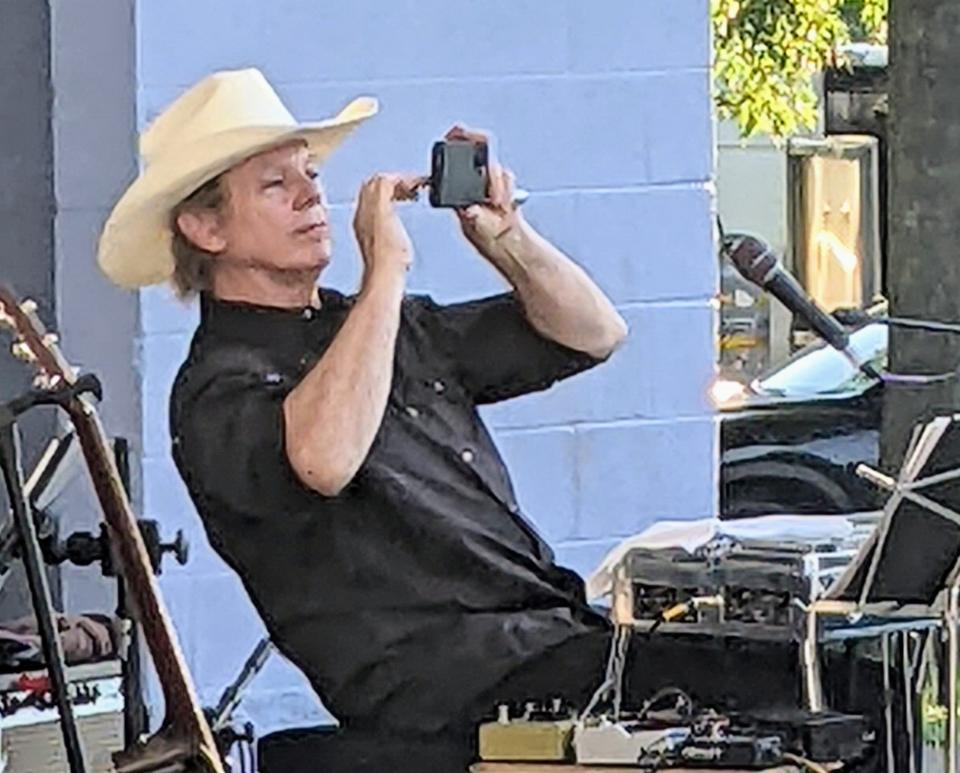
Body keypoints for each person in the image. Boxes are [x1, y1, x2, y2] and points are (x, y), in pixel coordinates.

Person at [98, 68, 630, 756]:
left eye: (310, 172)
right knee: (751, 677)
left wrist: (507, 239)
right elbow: (322, 457)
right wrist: (385, 272)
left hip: (550, 638)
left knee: (778, 662)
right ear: (204, 226)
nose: (310, 194)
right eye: (274, 185)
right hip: (441, 687)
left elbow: (592, 332)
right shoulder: (215, 386)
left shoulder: (389, 327)